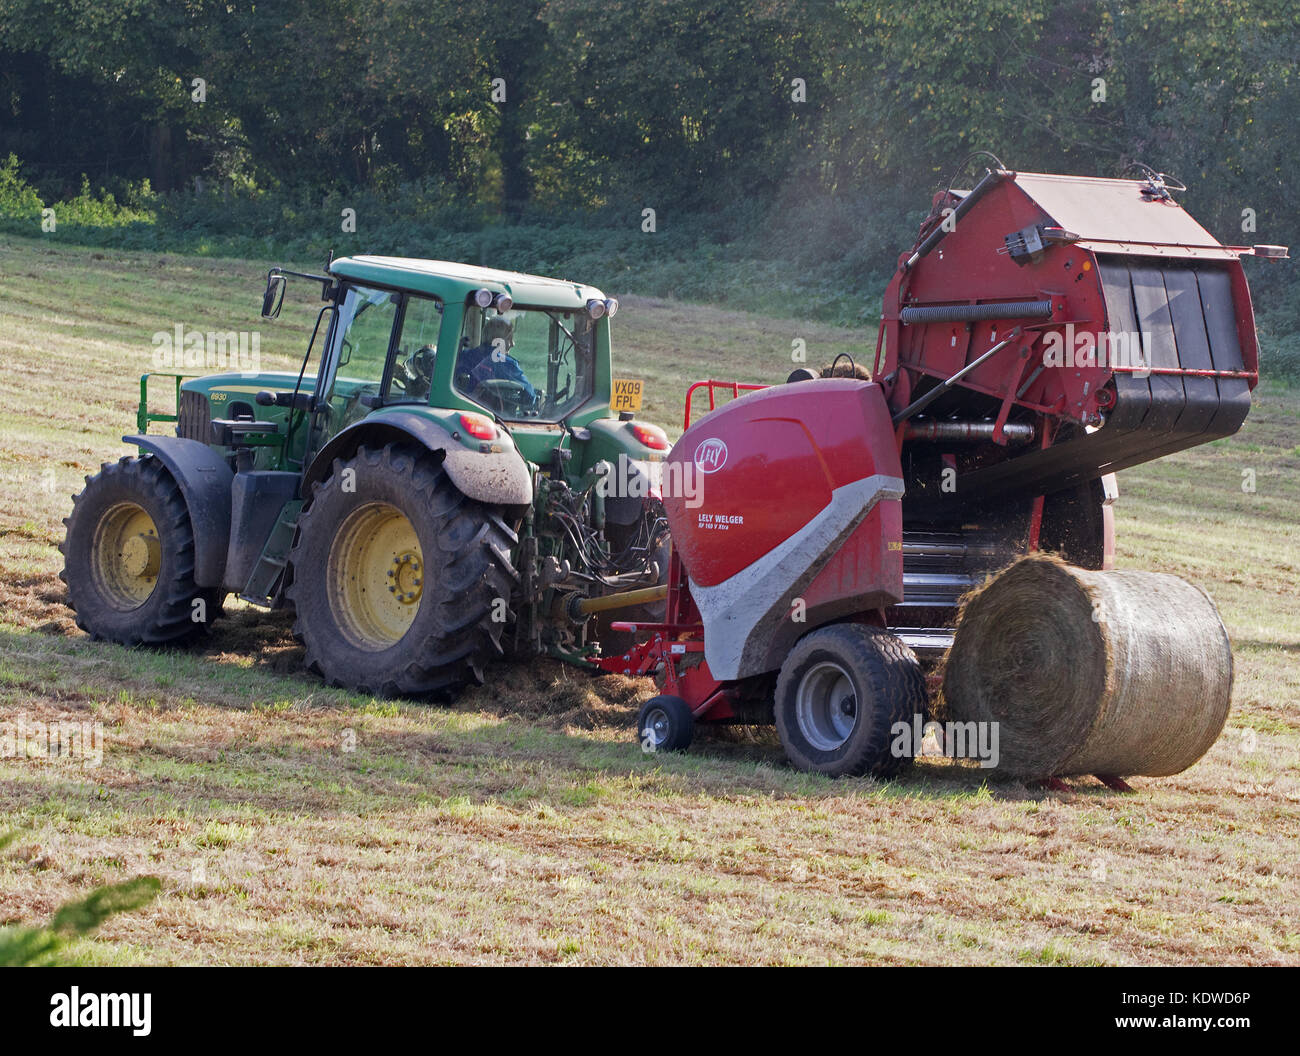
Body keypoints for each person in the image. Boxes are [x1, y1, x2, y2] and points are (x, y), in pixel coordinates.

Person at [459, 315, 537, 403]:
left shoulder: (463, 357)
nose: (513, 344)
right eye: (509, 339)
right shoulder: (507, 364)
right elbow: (530, 397)